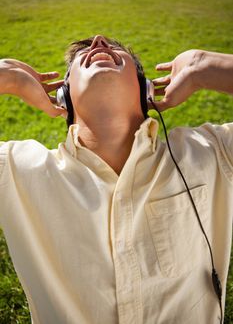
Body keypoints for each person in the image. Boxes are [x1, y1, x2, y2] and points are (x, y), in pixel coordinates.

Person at [0, 35, 232, 324]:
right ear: (63, 94)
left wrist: (206, 66)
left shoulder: (212, 151)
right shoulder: (16, 169)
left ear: (147, 90)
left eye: (115, 49)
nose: (98, 41)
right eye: (82, 56)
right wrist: (5, 78)